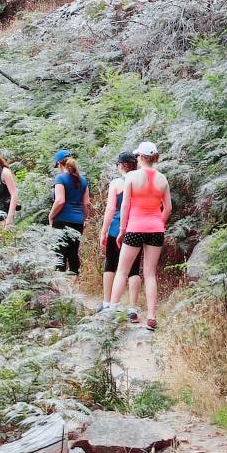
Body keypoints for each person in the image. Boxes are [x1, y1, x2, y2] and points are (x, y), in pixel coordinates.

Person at [108, 141, 172, 331]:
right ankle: (151, 317)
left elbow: (125, 206)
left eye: (137, 156)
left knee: (122, 271)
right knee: (150, 273)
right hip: (156, 229)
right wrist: (158, 223)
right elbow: (168, 208)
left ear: (141, 157)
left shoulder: (132, 177)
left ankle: (111, 313)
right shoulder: (162, 179)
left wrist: (122, 230)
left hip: (135, 228)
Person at [98, 152, 142, 321]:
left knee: (110, 263)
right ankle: (132, 308)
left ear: (122, 165)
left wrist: (104, 230)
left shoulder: (117, 183)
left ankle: (107, 303)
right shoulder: (140, 181)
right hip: (135, 227)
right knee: (134, 268)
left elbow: (111, 209)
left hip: (116, 227)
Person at [48, 149, 90, 275]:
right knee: (73, 253)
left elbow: (60, 201)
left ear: (59, 164)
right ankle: (73, 280)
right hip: (78, 221)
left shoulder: (60, 178)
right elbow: (86, 203)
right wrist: (84, 218)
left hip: (62, 220)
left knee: (59, 253)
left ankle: (61, 283)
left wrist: (51, 216)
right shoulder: (83, 180)